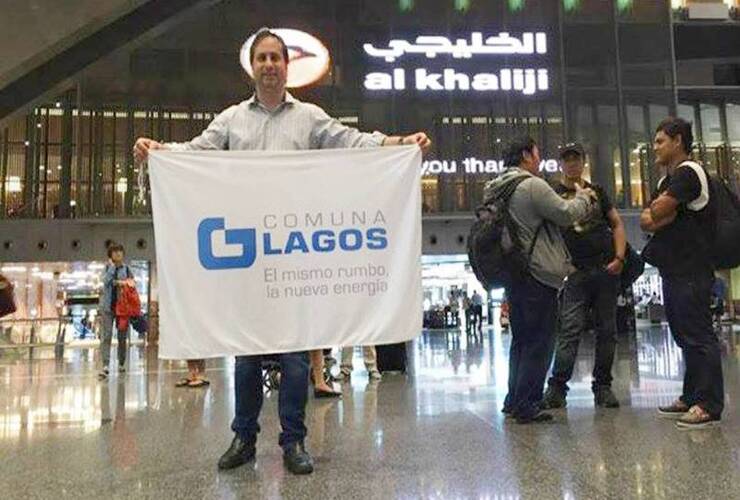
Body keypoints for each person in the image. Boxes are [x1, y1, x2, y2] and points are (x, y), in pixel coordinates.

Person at [133, 28, 431, 474]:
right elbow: (195, 153)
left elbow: (351, 142)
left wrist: (397, 145)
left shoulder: (309, 117)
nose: (269, 65)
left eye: (276, 58)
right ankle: (244, 438)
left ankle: (294, 441)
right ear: (252, 67)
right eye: (262, 58)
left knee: (295, 358)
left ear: (286, 67)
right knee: (246, 356)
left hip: (293, 260)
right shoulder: (231, 120)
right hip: (251, 261)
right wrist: (158, 152)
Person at [486, 137, 594, 424]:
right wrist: (585, 196)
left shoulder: (498, 187)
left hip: (514, 273)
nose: (538, 159)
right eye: (536, 153)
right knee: (540, 341)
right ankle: (528, 403)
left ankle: (514, 399)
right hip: (537, 273)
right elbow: (565, 213)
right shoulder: (531, 185)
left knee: (521, 339)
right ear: (525, 155)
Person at [640, 117, 724, 429]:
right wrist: (660, 213)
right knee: (683, 335)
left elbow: (657, 213)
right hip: (674, 269)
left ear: (678, 141)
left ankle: (709, 403)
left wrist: (662, 213)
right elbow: (647, 220)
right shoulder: (667, 182)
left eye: (661, 141)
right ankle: (691, 396)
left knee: (698, 335)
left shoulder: (689, 173)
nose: (655, 147)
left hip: (693, 268)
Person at [542, 143, 626, 410]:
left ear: (583, 161)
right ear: (561, 163)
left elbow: (617, 223)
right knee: (569, 330)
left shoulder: (597, 192)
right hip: (576, 274)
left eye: (576, 159)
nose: (572, 164)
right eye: (567, 159)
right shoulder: (553, 193)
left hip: (604, 270)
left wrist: (620, 258)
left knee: (608, 332)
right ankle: (557, 387)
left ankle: (602, 387)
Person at [98, 243, 135, 379]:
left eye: (120, 252)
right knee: (106, 336)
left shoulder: (127, 269)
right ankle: (106, 365)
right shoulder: (108, 268)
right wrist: (113, 268)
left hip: (123, 309)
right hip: (108, 308)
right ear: (111, 255)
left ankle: (121, 362)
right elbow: (106, 281)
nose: (118, 254)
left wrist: (121, 283)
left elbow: (132, 284)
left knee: (122, 337)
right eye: (115, 252)